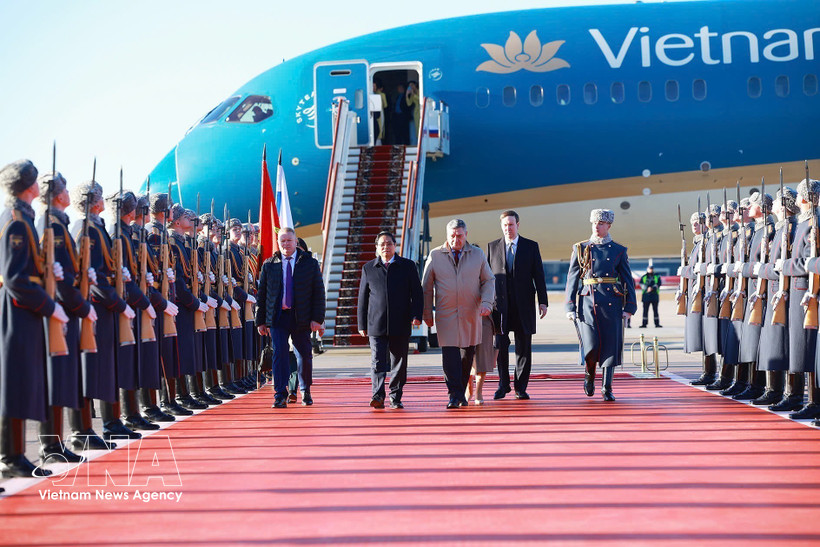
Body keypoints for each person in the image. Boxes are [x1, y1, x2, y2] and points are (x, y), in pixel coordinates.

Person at [0, 160, 68, 477]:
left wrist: (46, 270)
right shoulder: (16, 220)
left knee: (22, 381)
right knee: (14, 382)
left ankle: (15, 455)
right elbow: (14, 278)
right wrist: (48, 305)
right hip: (18, 309)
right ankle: (11, 458)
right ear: (30, 186)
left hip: (24, 308)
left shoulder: (22, 218)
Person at [36, 171, 94, 465]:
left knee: (63, 377)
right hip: (58, 308)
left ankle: (57, 441)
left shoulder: (59, 223)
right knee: (55, 378)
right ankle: (51, 444)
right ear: (59, 195)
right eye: (65, 189)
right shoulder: (51, 224)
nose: (69, 194)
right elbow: (54, 272)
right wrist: (80, 305)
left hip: (65, 306)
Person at [422, 219, 495, 409]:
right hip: (446, 314)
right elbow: (427, 287)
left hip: (471, 313)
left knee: (466, 357)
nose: (456, 239)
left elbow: (489, 281)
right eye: (452, 236)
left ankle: (460, 393)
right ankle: (454, 395)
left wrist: (486, 303)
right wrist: (427, 312)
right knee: (450, 357)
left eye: (460, 235)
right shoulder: (435, 255)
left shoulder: (477, 254)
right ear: (447, 236)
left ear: (466, 235)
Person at [565, 209, 637, 401]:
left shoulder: (618, 250)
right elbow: (572, 278)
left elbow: (627, 279)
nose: (597, 227)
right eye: (595, 223)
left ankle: (607, 387)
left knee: (610, 346)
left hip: (611, 304)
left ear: (609, 226)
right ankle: (589, 375)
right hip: (588, 302)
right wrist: (570, 306)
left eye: (601, 224)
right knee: (590, 345)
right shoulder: (580, 248)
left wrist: (629, 307)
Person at [256, 227, 325, 408]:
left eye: (289, 240)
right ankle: (280, 393)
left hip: (301, 316)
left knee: (303, 354)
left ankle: (305, 390)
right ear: (278, 243)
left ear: (296, 242)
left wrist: (317, 318)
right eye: (282, 241)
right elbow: (262, 294)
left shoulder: (309, 263)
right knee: (279, 353)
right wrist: (260, 321)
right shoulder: (269, 264)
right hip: (278, 317)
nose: (286, 244)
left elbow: (319, 292)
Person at [357, 231, 423, 409]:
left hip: (400, 322)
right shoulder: (368, 268)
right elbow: (363, 298)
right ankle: (377, 395)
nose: (385, 247)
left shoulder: (408, 266)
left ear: (395, 245)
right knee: (377, 361)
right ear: (376, 248)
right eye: (381, 244)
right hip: (375, 323)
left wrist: (417, 315)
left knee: (398, 362)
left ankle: (395, 396)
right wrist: (361, 324)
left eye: (389, 243)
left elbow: (417, 293)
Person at [486, 210, 548, 401]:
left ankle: (521, 387)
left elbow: (539, 275)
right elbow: (487, 278)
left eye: (511, 225)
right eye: (505, 225)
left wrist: (543, 301)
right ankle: (503, 385)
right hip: (500, 306)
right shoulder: (492, 247)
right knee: (500, 347)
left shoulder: (531, 246)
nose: (508, 228)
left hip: (524, 305)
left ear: (518, 225)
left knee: (524, 348)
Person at [779, 178, 820, 420]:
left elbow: (808, 259)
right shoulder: (806, 222)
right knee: (801, 349)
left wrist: (786, 265)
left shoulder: (813, 221)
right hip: (799, 290)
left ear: (804, 198)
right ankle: (805, 399)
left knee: (808, 348)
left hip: (806, 288)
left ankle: (813, 401)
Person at [372, 79, 387, 145]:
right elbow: (385, 105)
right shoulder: (381, 94)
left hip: (378, 113)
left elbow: (385, 105)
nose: (374, 88)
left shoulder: (378, 94)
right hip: (377, 112)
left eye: (375, 86)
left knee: (379, 128)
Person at [406, 81, 421, 146]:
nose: (411, 87)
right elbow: (409, 103)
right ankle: (417, 142)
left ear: (415, 85)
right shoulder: (413, 94)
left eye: (412, 85)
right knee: (417, 127)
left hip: (421, 109)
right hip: (416, 112)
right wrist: (407, 95)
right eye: (409, 86)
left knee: (420, 127)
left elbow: (420, 99)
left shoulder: (420, 91)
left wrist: (414, 94)